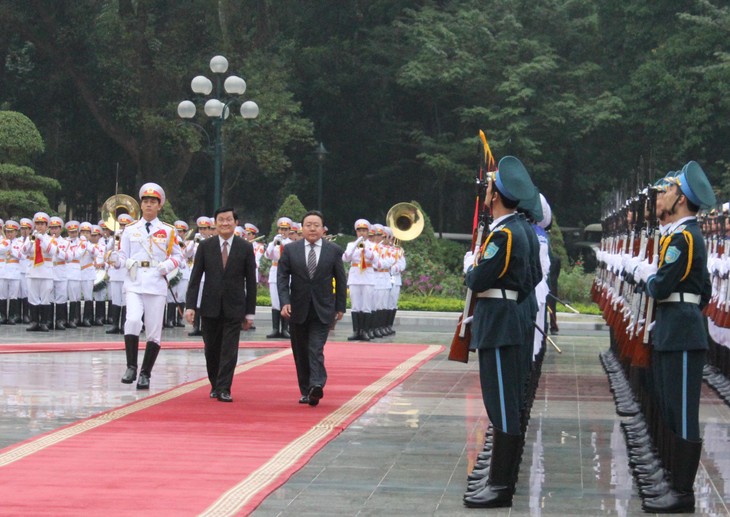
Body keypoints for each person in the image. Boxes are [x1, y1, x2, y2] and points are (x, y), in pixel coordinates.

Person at [637, 161, 715, 513]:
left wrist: (649, 277)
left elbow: (662, 285)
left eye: (669, 190)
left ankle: (682, 493)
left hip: (682, 333)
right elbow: (705, 290)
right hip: (676, 327)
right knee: (670, 407)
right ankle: (672, 481)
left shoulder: (684, 237)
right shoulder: (681, 236)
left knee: (682, 413)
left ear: (681, 199)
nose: (663, 194)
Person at [461, 156, 537, 509]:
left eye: (489, 187)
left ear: (496, 195)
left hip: (501, 322)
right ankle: (498, 479)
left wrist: (471, 265)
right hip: (511, 318)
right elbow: (533, 276)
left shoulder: (504, 234)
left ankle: (500, 486)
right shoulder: (521, 229)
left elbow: (477, 280)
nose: (485, 192)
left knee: (501, 403)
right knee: (506, 401)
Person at [110, 183, 183, 390]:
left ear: (159, 206)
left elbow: (178, 256)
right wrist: (119, 261)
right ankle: (131, 366)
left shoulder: (168, 231)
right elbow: (122, 255)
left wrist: (166, 266)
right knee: (132, 320)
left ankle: (145, 373)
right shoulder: (130, 229)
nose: (149, 205)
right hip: (134, 280)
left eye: (153, 202)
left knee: (153, 332)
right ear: (141, 205)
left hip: (156, 281)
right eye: (145, 201)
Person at [185, 207, 257, 402]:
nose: (225, 223)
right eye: (221, 220)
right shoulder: (205, 246)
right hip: (209, 306)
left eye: (229, 220)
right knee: (212, 349)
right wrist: (190, 306)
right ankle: (215, 384)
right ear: (215, 223)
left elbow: (251, 282)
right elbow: (195, 278)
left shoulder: (245, 247)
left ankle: (225, 387)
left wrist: (250, 313)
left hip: (235, 307)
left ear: (236, 222)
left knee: (229, 349)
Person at [278, 210, 347, 406]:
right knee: (300, 351)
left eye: (316, 225)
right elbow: (282, 278)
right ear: (302, 228)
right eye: (308, 225)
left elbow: (340, 279)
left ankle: (317, 385)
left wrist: (340, 306)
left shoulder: (333, 250)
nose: (312, 228)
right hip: (297, 309)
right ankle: (306, 390)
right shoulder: (291, 250)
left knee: (315, 348)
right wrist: (284, 301)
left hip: (323, 308)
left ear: (323, 229)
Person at [265, 217, 293, 338]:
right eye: (281, 229)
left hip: (286, 274)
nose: (283, 232)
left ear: (289, 231)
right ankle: (275, 329)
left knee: (285, 301)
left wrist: (283, 243)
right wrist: (274, 242)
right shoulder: (275, 243)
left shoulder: (291, 244)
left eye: (286, 229)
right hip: (275, 271)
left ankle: (285, 329)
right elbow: (267, 255)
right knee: (275, 302)